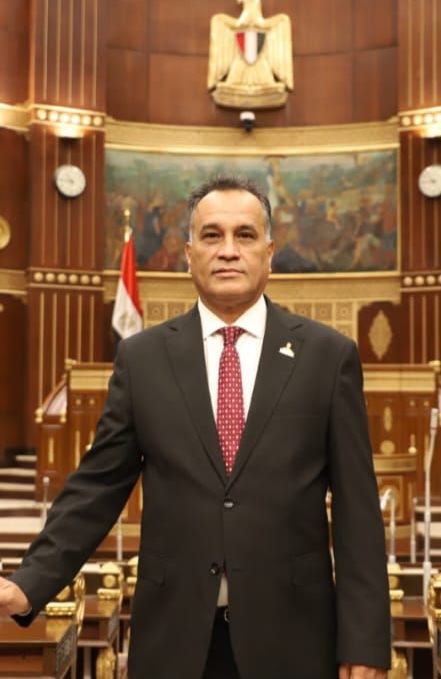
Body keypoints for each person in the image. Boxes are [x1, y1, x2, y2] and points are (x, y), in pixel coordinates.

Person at [0, 175, 390, 679]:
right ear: (188, 254)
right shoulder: (142, 359)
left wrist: (365, 643)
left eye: (244, 235)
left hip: (294, 639)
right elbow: (97, 486)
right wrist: (29, 582)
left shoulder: (327, 356)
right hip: (175, 641)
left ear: (269, 253)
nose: (228, 250)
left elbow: (358, 512)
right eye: (211, 235)